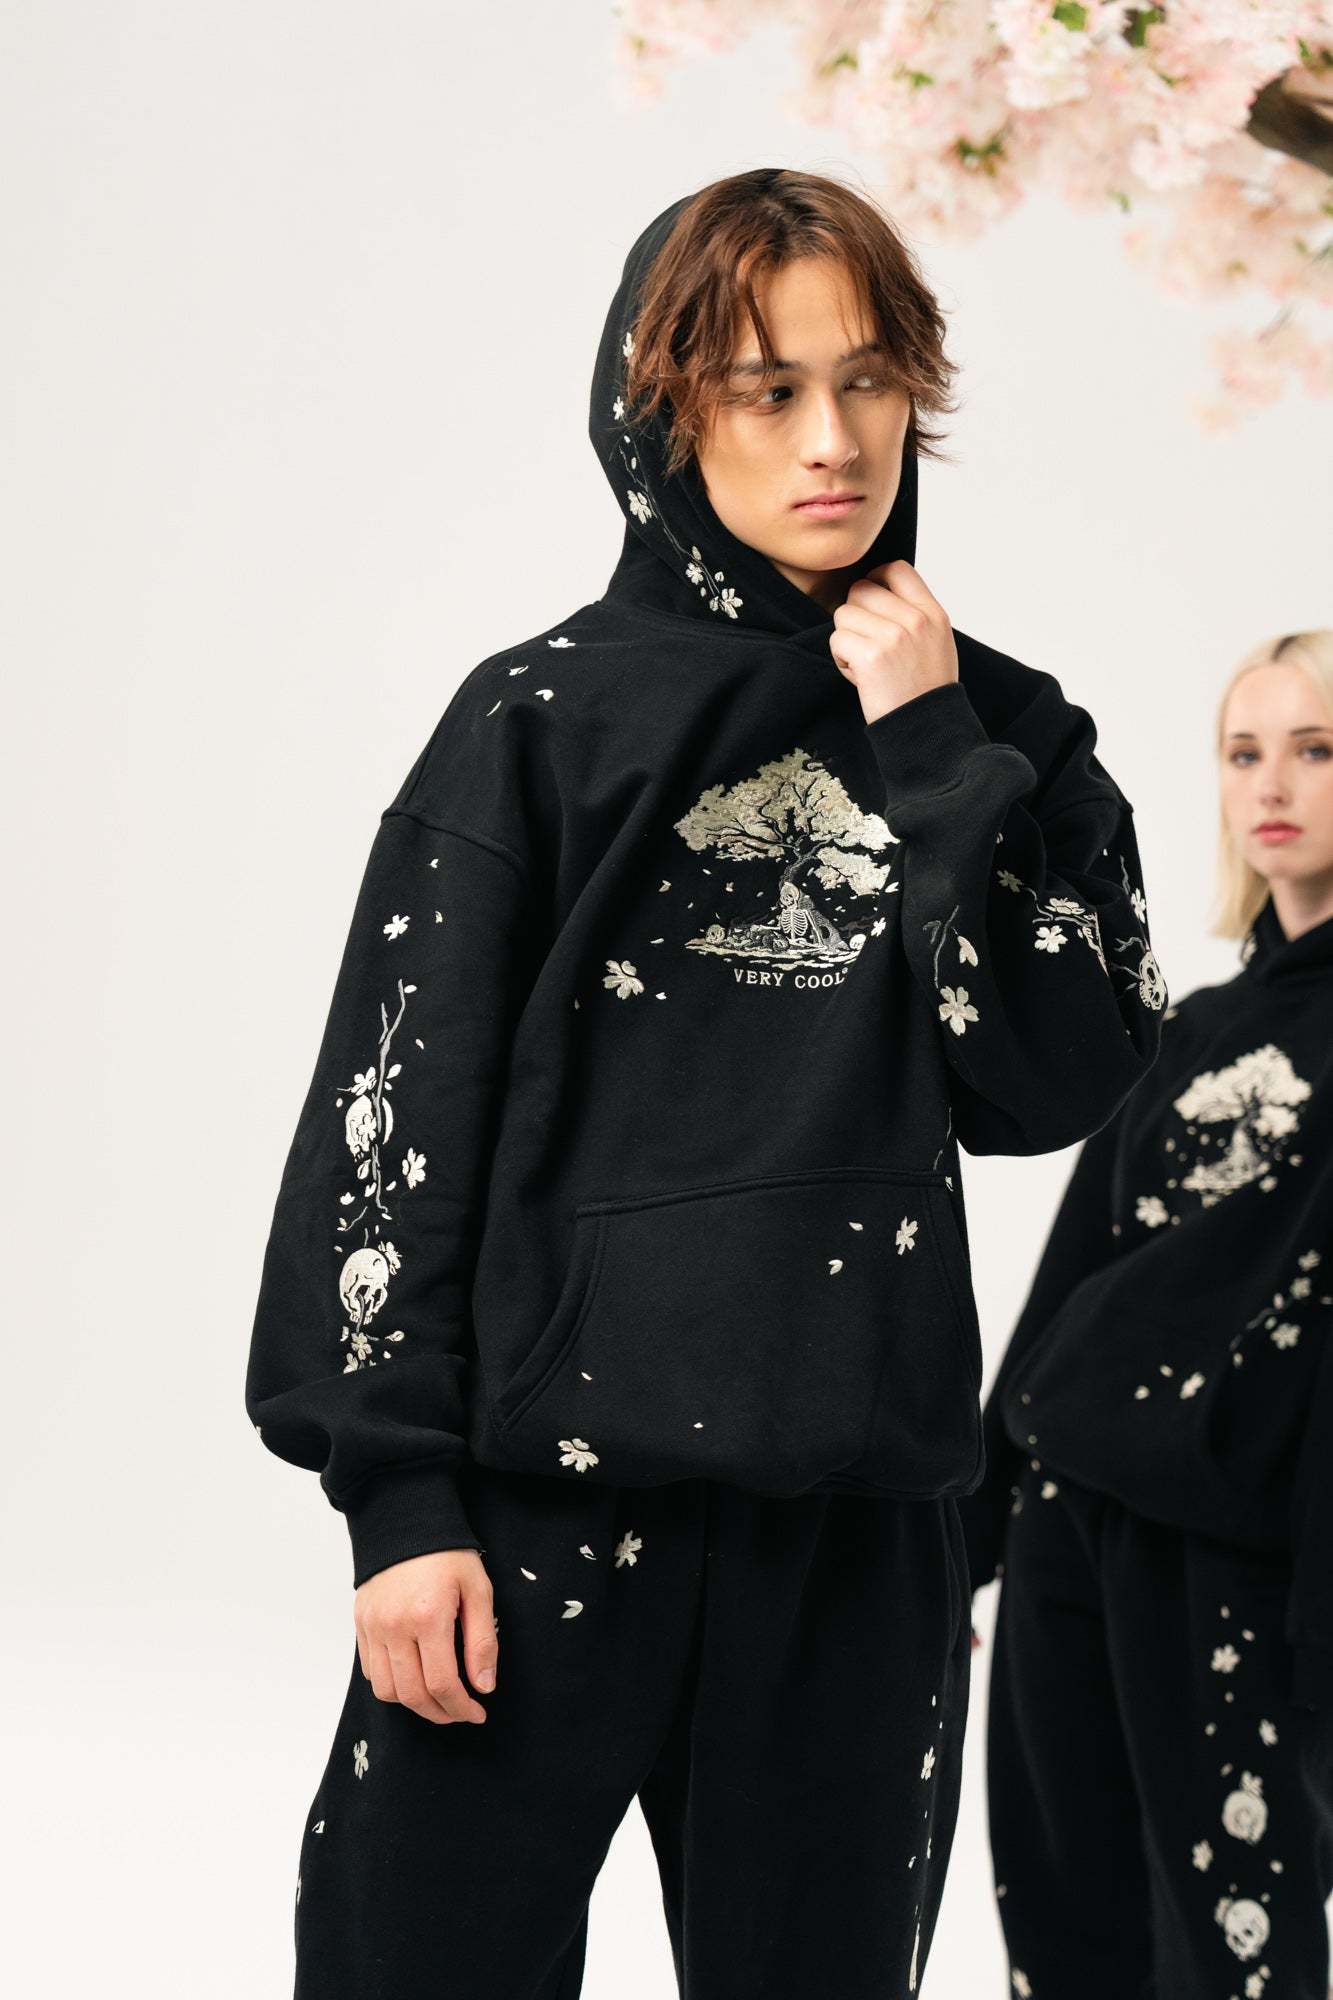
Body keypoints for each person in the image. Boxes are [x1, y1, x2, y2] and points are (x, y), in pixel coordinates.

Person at [245, 166, 1166, 2000]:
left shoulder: (1006, 729)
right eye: (767, 389)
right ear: (664, 408)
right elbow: (390, 1123)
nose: (834, 440)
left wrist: (930, 749)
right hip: (532, 1521)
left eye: (868, 380)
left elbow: (1049, 1080)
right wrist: (398, 1502)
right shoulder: (536, 718)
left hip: (858, 1536)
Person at [959, 630, 1333, 1999]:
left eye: (1316, 749)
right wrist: (967, 1539)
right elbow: (1075, 1274)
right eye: (1244, 752)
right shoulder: (1190, 1031)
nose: (1270, 785)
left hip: (1242, 1554)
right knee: (1067, 1934)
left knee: (1237, 1953)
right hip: (1067, 1526)